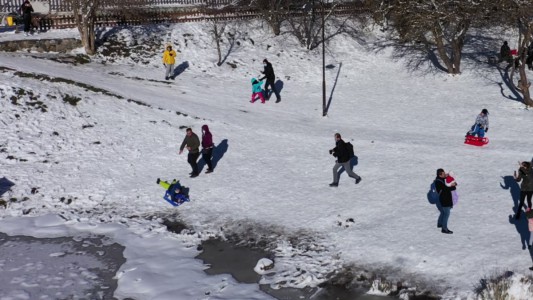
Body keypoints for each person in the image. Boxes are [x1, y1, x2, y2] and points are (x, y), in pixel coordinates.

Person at [435, 168, 456, 234]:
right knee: (446, 214)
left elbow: (451, 185)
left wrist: (450, 179)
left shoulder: (443, 179)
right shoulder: (438, 182)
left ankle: (439, 224)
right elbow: (445, 189)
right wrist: (452, 186)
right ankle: (444, 229)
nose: (445, 174)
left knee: (443, 212)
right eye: (443, 174)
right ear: (440, 175)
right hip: (444, 200)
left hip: (445, 199)